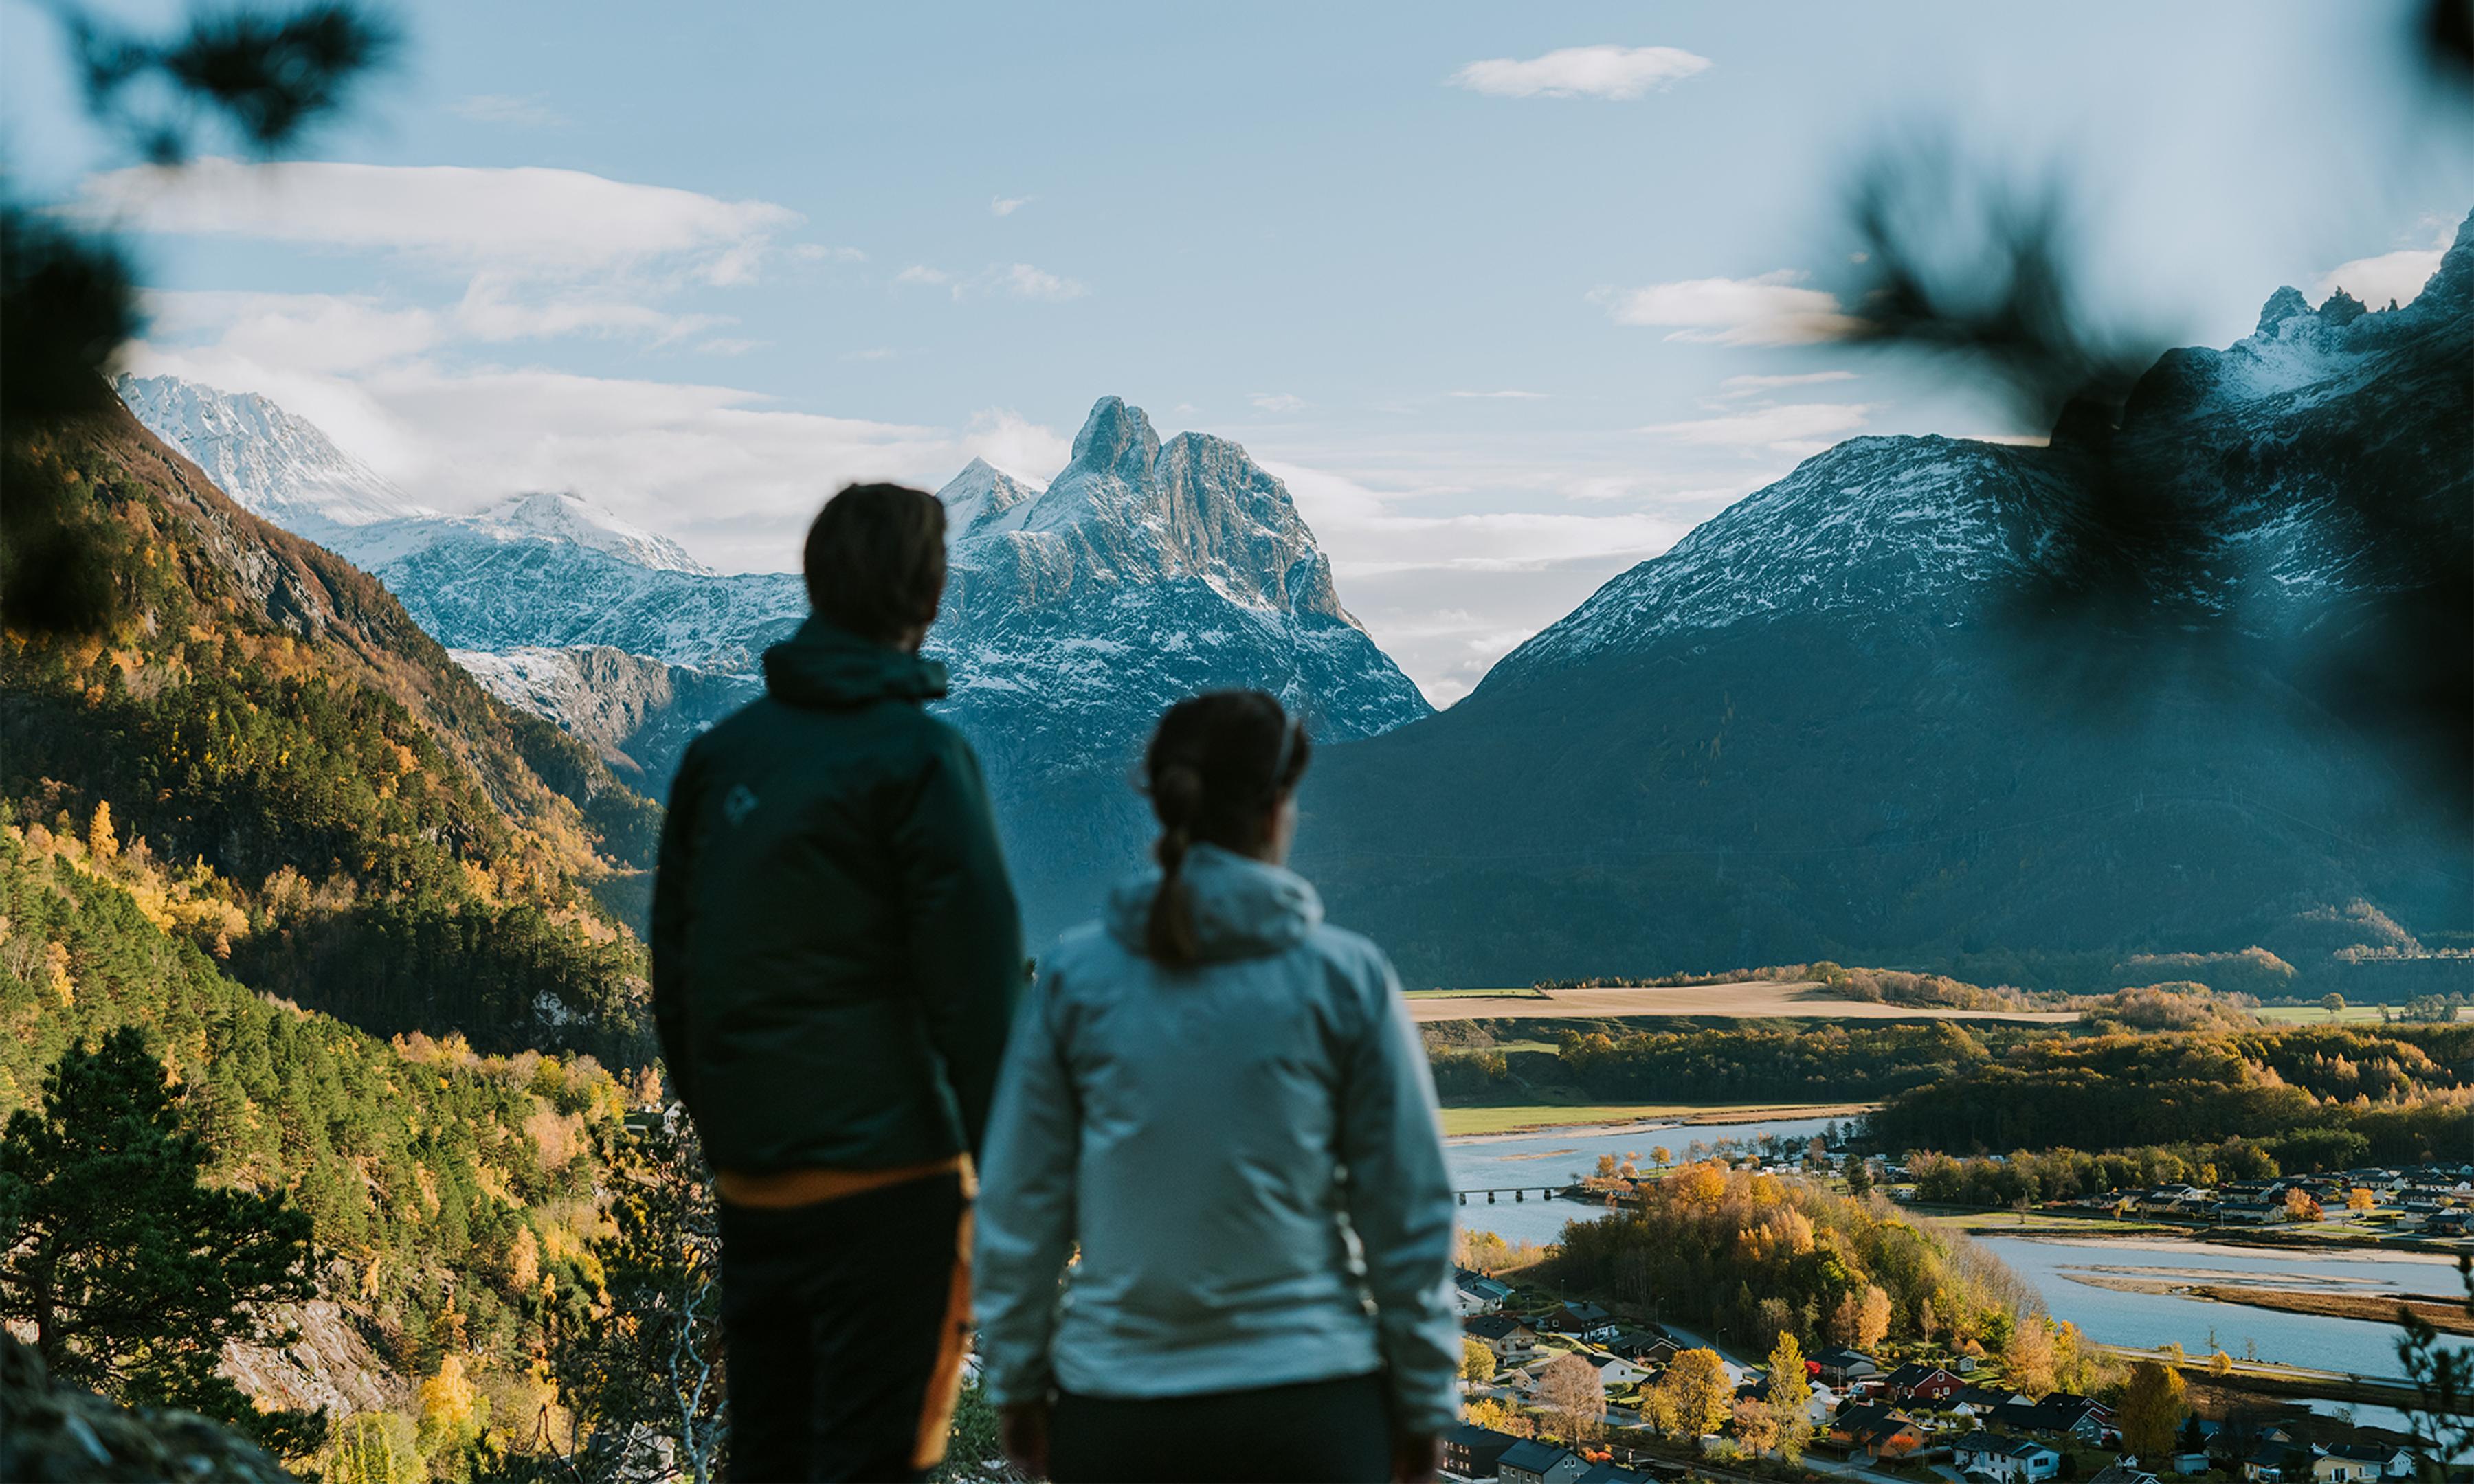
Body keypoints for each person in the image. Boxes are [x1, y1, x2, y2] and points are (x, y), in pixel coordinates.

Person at [973, 689, 1458, 1484]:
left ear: (1166, 807)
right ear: (1277, 810)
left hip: (1119, 1416)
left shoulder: (1074, 980)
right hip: (1312, 1413)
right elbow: (1408, 1211)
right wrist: (1424, 1401)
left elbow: (1021, 1206)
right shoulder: (1345, 979)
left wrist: (1020, 1390)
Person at [651, 482, 1023, 1483]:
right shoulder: (921, 757)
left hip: (755, 1179)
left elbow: (678, 984)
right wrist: (1012, 1192)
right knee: (880, 1462)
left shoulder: (716, 758)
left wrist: (732, 1129)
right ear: (930, 593)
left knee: (768, 1454)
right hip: (893, 1185)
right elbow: (978, 998)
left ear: (816, 581)